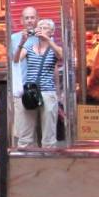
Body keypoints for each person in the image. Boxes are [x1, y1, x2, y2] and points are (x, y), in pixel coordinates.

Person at [15, 18, 62, 148]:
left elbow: (62, 56)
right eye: (40, 26)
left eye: (46, 27)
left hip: (48, 92)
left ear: (52, 32)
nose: (41, 28)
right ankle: (24, 161)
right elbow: (16, 59)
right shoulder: (30, 46)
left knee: (49, 135)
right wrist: (22, 42)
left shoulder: (54, 48)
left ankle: (48, 163)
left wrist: (48, 40)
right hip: (30, 92)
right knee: (25, 133)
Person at [10, 6, 38, 99]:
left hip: (41, 89)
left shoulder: (44, 38)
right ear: (21, 21)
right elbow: (13, 62)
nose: (29, 20)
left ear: (37, 19)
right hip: (21, 89)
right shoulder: (13, 38)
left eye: (32, 17)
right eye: (26, 18)